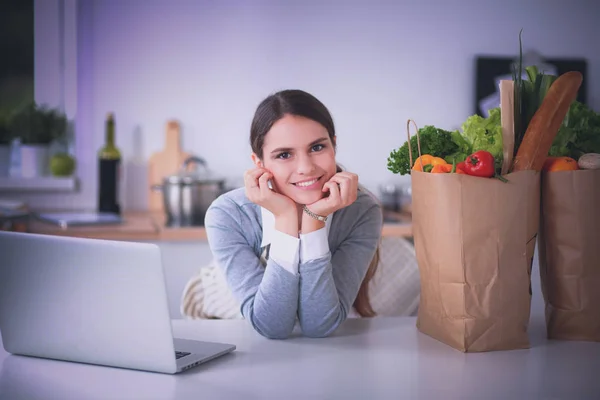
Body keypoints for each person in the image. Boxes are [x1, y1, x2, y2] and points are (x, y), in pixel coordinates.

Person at [204, 89, 383, 339]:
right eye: (284, 155)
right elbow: (271, 326)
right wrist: (286, 219)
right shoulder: (228, 215)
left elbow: (319, 325)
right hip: (230, 326)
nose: (305, 168)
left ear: (334, 144)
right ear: (259, 164)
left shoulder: (362, 211)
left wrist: (313, 222)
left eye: (317, 147)